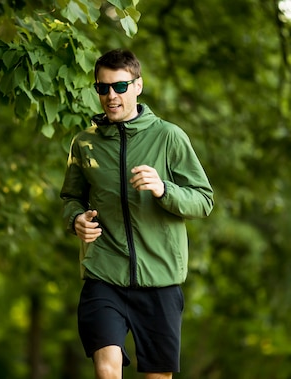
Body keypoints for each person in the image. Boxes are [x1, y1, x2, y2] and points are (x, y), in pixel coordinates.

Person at [60, 48, 214, 379]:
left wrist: (163, 189)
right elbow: (71, 197)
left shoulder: (168, 137)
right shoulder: (84, 143)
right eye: (103, 88)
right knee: (107, 368)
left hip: (160, 279)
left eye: (119, 87)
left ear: (138, 85)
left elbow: (203, 200)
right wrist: (76, 220)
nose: (110, 96)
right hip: (104, 275)